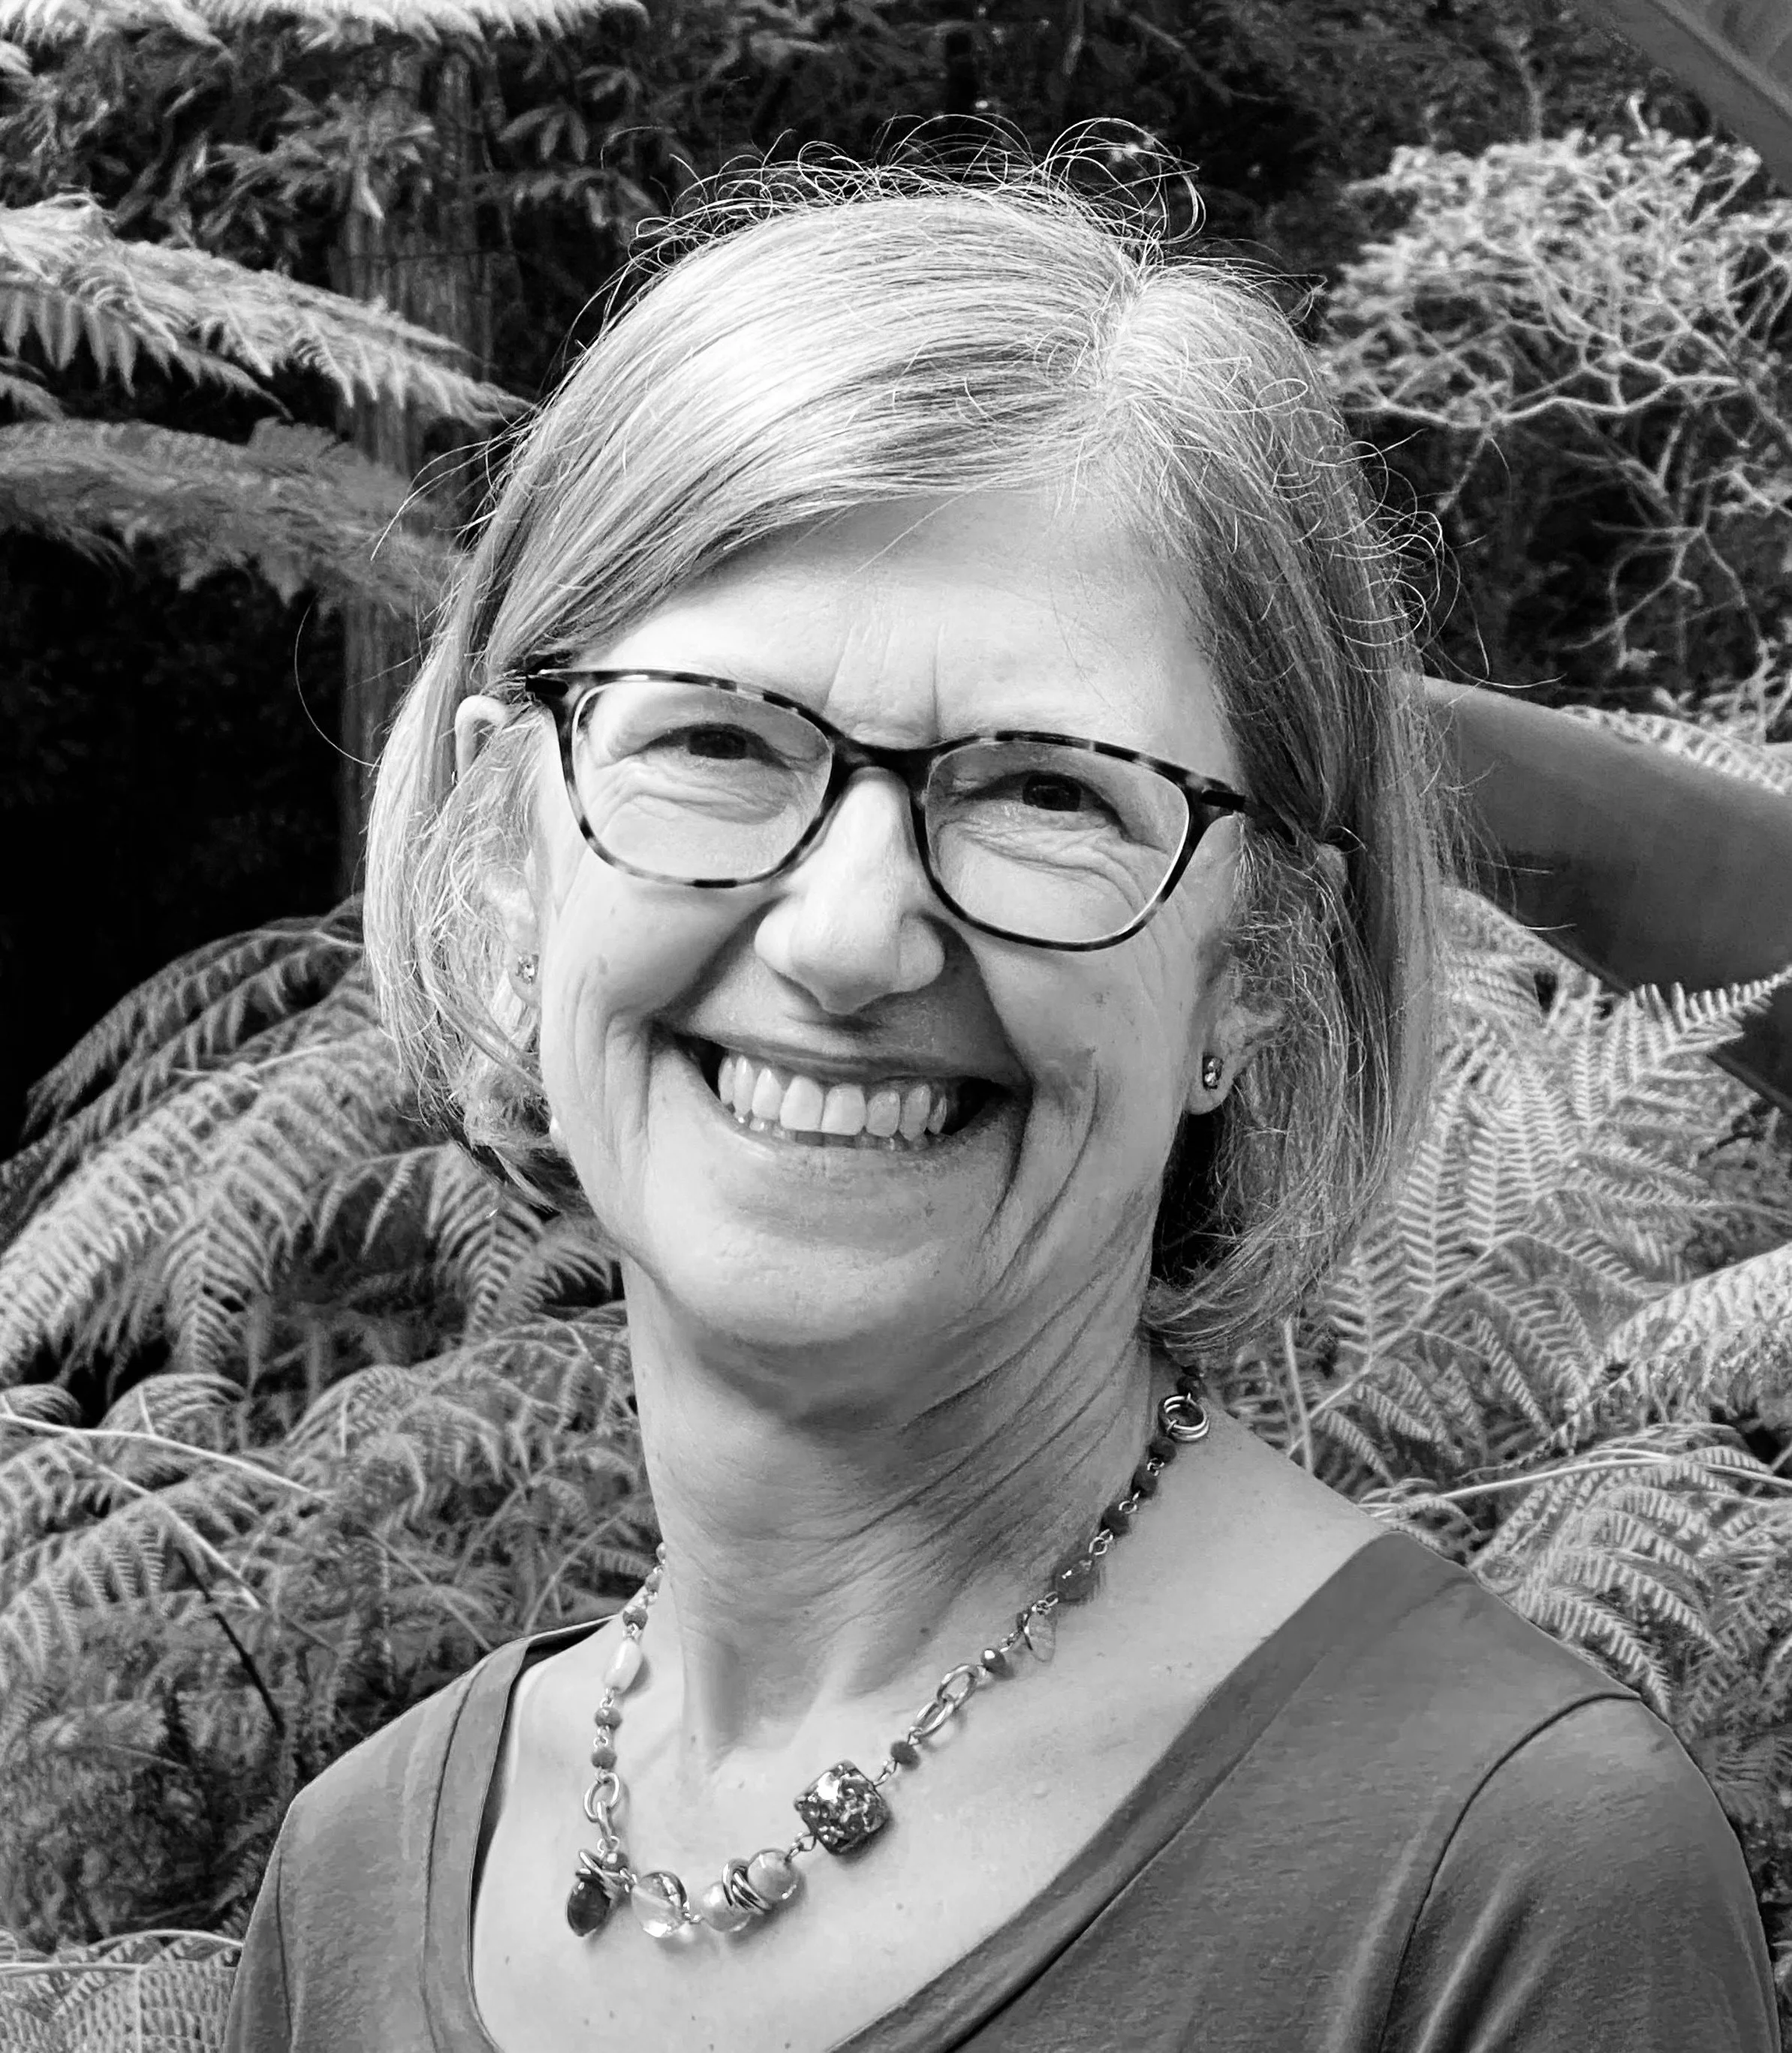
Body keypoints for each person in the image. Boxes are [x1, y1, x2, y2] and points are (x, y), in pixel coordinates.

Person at [221, 161, 1778, 2052]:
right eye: (714, 739)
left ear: (1253, 969)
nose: (854, 931)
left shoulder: (1499, 1883)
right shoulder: (367, 1872)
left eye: (1043, 790)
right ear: (506, 854)